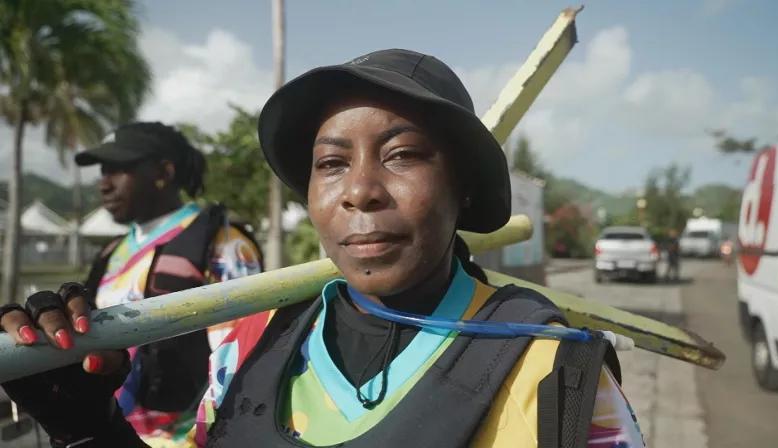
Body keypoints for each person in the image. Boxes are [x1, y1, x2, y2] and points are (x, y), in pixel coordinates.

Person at [0, 50, 645, 447]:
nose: (359, 191)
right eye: (331, 163)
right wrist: (90, 428)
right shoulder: (245, 348)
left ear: (465, 189)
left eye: (402, 156)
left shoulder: (553, 370)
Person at [1, 122, 264, 447]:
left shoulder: (223, 244)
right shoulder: (111, 252)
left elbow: (242, 363)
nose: (104, 184)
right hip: (110, 433)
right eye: (101, 172)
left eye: (117, 170)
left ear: (163, 172)